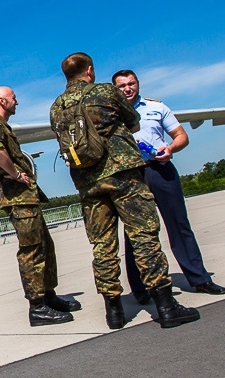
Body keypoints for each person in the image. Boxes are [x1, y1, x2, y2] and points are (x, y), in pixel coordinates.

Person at [49, 54, 199, 330]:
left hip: (88, 183)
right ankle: (166, 306)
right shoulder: (105, 91)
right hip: (122, 176)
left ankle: (114, 311)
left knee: (103, 246)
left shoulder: (56, 107)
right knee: (143, 237)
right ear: (89, 71)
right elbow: (134, 122)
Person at [113, 69, 225, 301]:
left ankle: (200, 278)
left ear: (138, 84)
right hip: (131, 176)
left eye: (131, 83)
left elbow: (181, 135)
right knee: (135, 233)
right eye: (122, 85)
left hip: (160, 170)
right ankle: (141, 289)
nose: (127, 88)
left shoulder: (157, 108)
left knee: (179, 224)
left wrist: (171, 148)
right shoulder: (110, 114)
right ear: (114, 89)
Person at [0, 86, 81, 326]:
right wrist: (15, 174)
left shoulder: (2, 126)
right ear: (2, 101)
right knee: (32, 251)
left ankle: (48, 296)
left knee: (45, 245)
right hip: (18, 199)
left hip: (26, 198)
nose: (17, 102)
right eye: (14, 98)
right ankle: (37, 307)